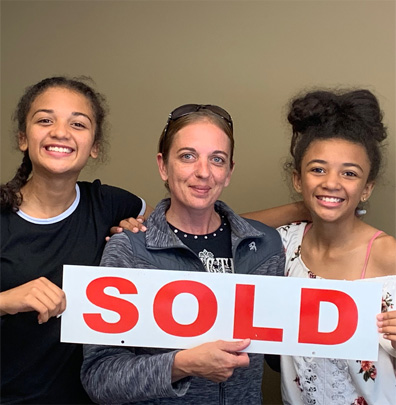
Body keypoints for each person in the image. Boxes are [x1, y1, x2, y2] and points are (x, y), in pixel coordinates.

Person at [81, 104, 286, 404]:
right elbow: (100, 378)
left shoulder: (265, 246)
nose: (203, 172)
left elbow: (283, 355)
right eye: (187, 156)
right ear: (164, 166)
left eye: (217, 159)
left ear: (229, 172)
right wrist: (182, 364)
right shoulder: (129, 249)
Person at [0, 76, 152, 404]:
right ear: (23, 138)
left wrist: (294, 207)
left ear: (94, 146)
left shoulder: (110, 204)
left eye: (78, 124)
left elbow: (199, 227)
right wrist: (7, 300)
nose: (60, 132)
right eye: (45, 120)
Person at [274, 89, 396, 404]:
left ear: (367, 188)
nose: (331, 182)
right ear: (297, 179)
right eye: (317, 169)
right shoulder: (284, 244)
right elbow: (214, 228)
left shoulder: (388, 255)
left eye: (349, 174)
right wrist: (299, 208)